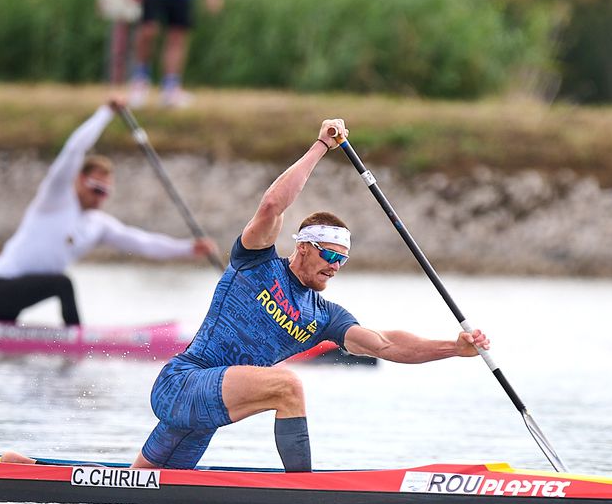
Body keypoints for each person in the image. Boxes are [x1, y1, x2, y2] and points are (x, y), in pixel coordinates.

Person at [127, 117, 491, 473]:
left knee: (142, 485)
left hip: (208, 409)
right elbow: (271, 206)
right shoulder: (256, 263)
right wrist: (321, 147)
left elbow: (385, 345)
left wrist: (454, 349)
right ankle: (302, 491)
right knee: (288, 386)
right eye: (329, 255)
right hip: (183, 382)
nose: (335, 266)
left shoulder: (323, 316)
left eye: (342, 260)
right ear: (303, 247)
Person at [0, 97, 218, 326]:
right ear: (79, 180)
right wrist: (105, 113)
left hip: (20, 293)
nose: (99, 196)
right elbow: (74, 149)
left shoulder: (98, 225)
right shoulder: (54, 199)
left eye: (105, 192)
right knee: (63, 284)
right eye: (95, 188)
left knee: (1, 333)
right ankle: (76, 341)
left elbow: (143, 243)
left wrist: (189, 248)